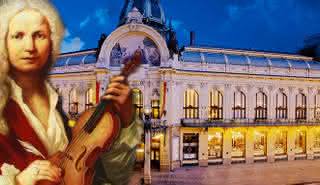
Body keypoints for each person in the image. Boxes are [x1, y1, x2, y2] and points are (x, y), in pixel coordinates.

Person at [0, 0, 143, 185]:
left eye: (39, 35)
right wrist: (17, 181)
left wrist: (126, 120)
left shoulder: (54, 101)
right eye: (18, 35)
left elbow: (112, 174)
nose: (30, 47)